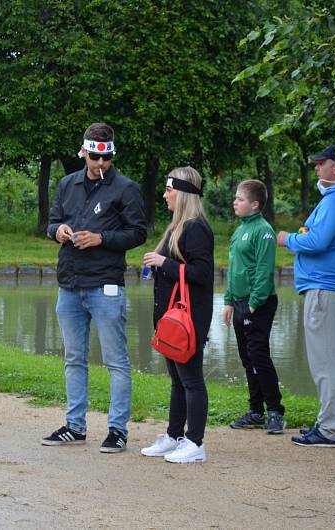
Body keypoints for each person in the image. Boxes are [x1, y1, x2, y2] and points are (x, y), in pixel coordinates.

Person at [41, 123, 147, 453]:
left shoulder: (126, 189)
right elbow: (51, 222)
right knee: (74, 358)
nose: (100, 164)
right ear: (84, 152)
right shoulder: (66, 184)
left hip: (105, 284)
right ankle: (75, 426)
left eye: (106, 159)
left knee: (116, 361)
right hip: (70, 283)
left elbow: (138, 233)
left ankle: (117, 430)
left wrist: (101, 239)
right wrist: (58, 231)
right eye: (95, 158)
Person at [277, 144, 335, 448]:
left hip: (326, 289)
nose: (316, 168)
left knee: (326, 364)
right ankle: (331, 425)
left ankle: (328, 430)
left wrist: (288, 239)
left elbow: (318, 240)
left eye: (320, 163)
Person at [140, 167, 214, 464]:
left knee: (192, 379)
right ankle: (174, 435)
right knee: (177, 379)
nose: (164, 194)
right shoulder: (177, 226)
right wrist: (157, 267)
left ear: (182, 193)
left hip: (189, 319)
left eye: (169, 190)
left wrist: (163, 263)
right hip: (171, 317)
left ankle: (195, 442)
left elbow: (202, 274)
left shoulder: (196, 227)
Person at [223, 180, 285, 434]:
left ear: (255, 204)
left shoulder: (263, 231)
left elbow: (263, 270)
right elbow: (234, 269)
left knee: (259, 355)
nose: (235, 202)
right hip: (239, 304)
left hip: (257, 304)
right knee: (248, 359)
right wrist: (228, 301)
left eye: (240, 199)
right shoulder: (240, 230)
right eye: (236, 198)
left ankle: (275, 412)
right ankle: (256, 411)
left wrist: (253, 303)